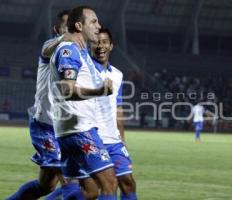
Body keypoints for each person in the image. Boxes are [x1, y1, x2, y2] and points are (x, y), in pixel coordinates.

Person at [6, 10, 81, 200]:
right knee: (72, 183)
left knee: (45, 186)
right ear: (57, 29)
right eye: (66, 25)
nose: (71, 29)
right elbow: (46, 50)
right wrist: (65, 38)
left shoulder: (78, 54)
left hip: (68, 128)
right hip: (46, 126)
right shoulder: (52, 46)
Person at [48, 6, 117, 200]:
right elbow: (67, 89)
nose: (99, 26)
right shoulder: (69, 50)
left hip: (72, 131)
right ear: (79, 25)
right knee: (109, 183)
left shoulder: (81, 51)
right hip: (79, 131)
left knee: (86, 192)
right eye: (94, 22)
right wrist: (100, 90)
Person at [91, 28, 137, 200]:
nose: (100, 46)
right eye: (96, 42)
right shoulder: (85, 70)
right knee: (97, 188)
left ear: (111, 46)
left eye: (104, 42)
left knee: (128, 182)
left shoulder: (117, 75)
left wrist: (122, 139)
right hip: (93, 138)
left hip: (113, 140)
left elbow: (118, 108)